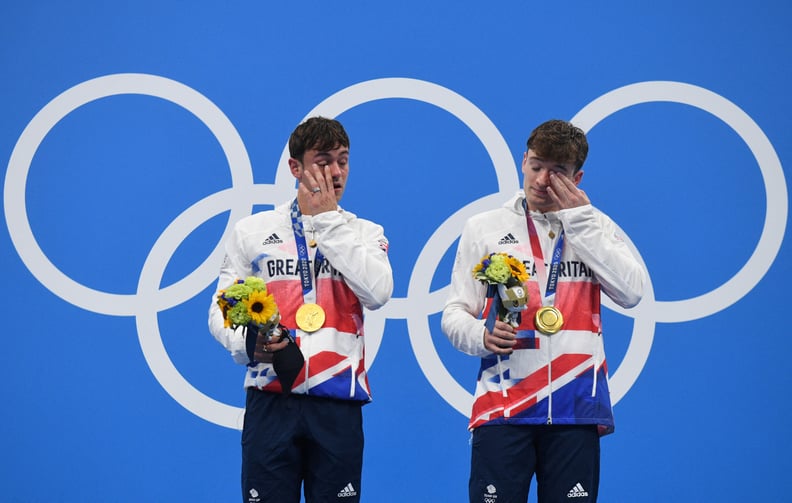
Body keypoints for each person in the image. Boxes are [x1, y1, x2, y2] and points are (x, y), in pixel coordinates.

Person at [442, 119, 644, 503]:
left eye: (558, 172)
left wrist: (581, 222)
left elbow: (632, 293)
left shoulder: (595, 227)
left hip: (576, 409)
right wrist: (481, 337)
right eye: (536, 166)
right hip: (504, 408)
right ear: (523, 161)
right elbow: (454, 313)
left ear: (578, 176)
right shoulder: (484, 227)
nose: (542, 180)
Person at [208, 116, 394, 503]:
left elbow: (378, 293)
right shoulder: (253, 231)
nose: (336, 172)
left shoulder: (365, 233)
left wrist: (327, 221)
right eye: (323, 161)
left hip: (338, 402)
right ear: (295, 168)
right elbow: (221, 309)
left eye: (343, 160)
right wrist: (246, 344)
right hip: (272, 398)